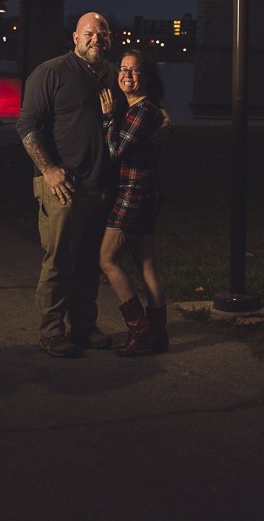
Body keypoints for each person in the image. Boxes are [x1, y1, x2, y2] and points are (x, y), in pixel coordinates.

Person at [16, 12, 120, 358]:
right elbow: (27, 125)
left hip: (101, 185)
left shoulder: (111, 74)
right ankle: (51, 332)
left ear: (109, 38)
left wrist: (162, 119)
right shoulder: (52, 72)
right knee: (60, 261)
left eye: (102, 34)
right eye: (89, 33)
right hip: (63, 185)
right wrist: (49, 170)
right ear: (74, 38)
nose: (96, 39)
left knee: (90, 262)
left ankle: (84, 327)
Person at [98, 48, 169, 356]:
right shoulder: (142, 108)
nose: (126, 75)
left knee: (107, 259)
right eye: (123, 69)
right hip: (144, 189)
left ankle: (139, 329)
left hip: (134, 192)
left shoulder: (142, 110)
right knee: (145, 261)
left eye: (134, 70)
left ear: (147, 77)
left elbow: (116, 152)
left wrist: (108, 118)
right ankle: (158, 332)